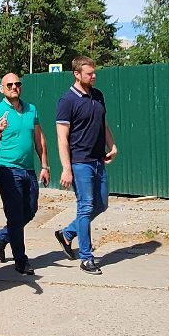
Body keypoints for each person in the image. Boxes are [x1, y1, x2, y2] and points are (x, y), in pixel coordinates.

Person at [55, 56, 116, 274]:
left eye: (94, 73)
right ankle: (86, 257)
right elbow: (62, 137)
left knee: (101, 205)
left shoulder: (98, 95)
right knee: (86, 206)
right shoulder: (67, 101)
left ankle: (67, 233)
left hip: (98, 160)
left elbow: (103, 123)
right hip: (80, 162)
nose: (93, 76)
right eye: (89, 73)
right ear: (77, 74)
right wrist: (66, 168)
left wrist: (112, 145)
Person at [0, 72, 49, 275]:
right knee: (15, 216)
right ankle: (21, 260)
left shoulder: (31, 109)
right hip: (7, 169)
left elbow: (39, 139)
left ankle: (3, 236)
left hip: (29, 169)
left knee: (30, 210)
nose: (14, 87)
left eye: (17, 84)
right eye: (10, 85)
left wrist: (45, 166)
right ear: (2, 88)